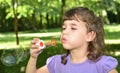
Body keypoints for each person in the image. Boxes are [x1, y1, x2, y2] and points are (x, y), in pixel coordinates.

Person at [26, 7, 118, 73]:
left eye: (73, 28)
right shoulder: (57, 63)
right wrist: (33, 58)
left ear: (89, 36)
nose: (65, 32)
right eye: (64, 28)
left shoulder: (102, 65)